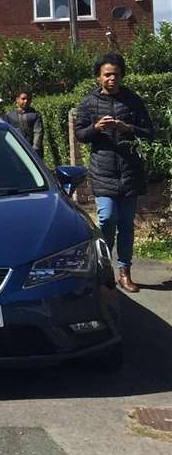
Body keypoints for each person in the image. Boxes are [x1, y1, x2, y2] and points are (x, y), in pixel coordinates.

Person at [74, 53, 155, 294]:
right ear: (99, 77)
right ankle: (104, 266)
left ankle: (125, 271)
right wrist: (96, 128)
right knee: (107, 219)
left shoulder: (132, 100)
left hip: (130, 171)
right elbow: (80, 135)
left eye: (116, 74)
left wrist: (125, 127)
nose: (112, 78)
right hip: (103, 170)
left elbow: (149, 132)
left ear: (122, 75)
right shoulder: (88, 103)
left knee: (126, 224)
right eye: (107, 74)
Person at [3, 90, 44, 156]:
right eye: (23, 99)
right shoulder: (10, 116)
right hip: (15, 151)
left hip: (32, 151)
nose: (26, 101)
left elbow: (38, 132)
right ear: (17, 99)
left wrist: (35, 149)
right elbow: (6, 134)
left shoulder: (35, 115)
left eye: (28, 99)